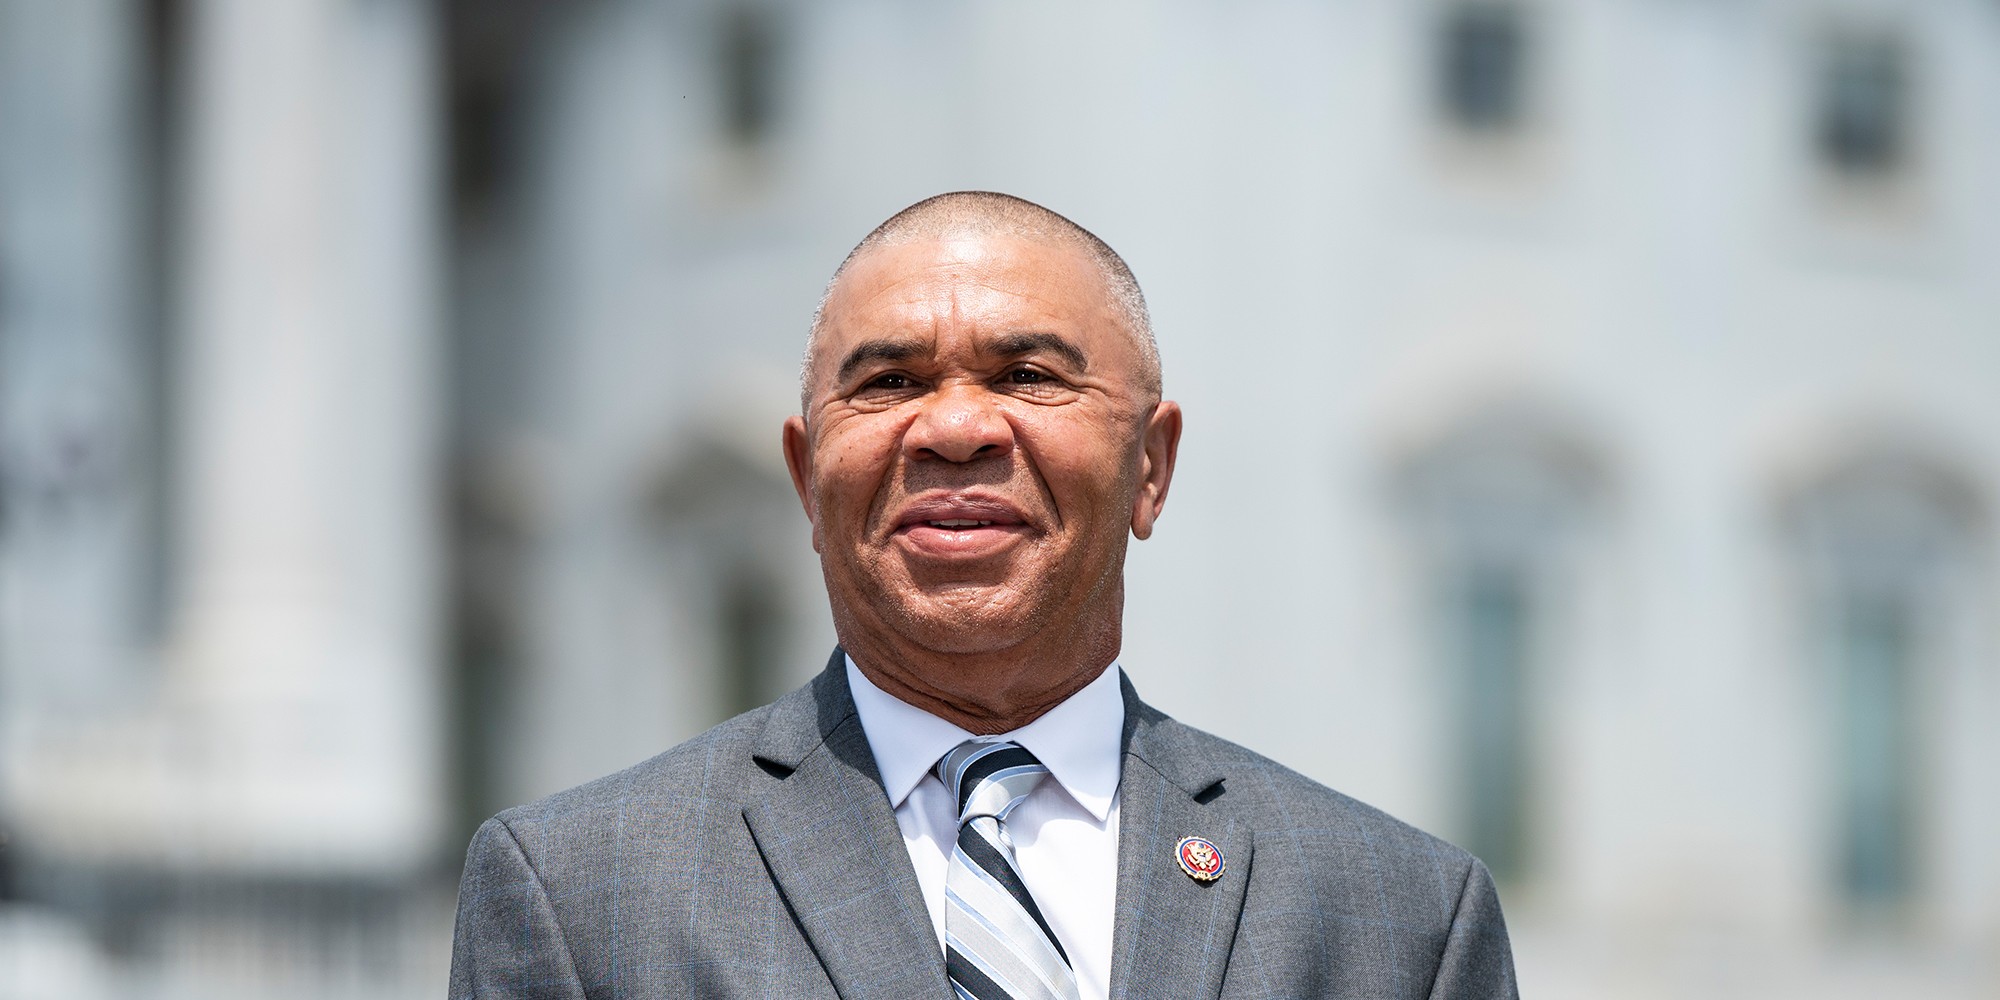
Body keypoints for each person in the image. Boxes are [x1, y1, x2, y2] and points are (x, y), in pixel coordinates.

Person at [448, 192, 1519, 999]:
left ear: (1150, 465)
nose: (955, 428)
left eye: (1025, 375)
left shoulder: (1396, 917)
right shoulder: (582, 896)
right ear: (805, 479)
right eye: (889, 383)